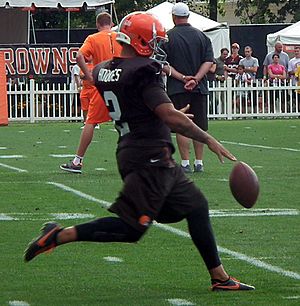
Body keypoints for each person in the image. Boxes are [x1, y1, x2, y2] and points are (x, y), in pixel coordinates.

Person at [24, 11, 255, 292]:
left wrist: (162, 114)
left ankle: (219, 277)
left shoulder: (103, 70)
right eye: (155, 41)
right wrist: (207, 139)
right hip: (149, 160)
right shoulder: (144, 71)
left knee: (196, 206)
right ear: (141, 41)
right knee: (132, 229)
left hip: (141, 151)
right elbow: (167, 116)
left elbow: (136, 106)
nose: (158, 47)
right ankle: (58, 235)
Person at [60, 12, 122, 174]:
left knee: (91, 122)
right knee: (126, 121)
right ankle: (139, 158)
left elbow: (79, 56)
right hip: (122, 84)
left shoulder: (93, 39)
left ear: (97, 24)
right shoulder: (121, 37)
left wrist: (89, 76)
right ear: (112, 23)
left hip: (102, 83)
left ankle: (77, 161)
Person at [161, 2, 214, 173]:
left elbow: (163, 64)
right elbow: (208, 61)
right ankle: (199, 162)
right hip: (199, 88)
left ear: (174, 17)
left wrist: (183, 78)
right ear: (188, 16)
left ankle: (185, 163)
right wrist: (196, 79)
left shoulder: (168, 37)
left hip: (177, 87)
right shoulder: (202, 37)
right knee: (199, 125)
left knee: (182, 125)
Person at [239, 46, 259, 111]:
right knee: (243, 99)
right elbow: (240, 70)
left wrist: (246, 69)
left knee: (254, 98)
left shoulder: (254, 60)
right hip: (244, 81)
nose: (247, 53)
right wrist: (250, 68)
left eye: (248, 51)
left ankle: (255, 113)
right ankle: (244, 113)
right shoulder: (242, 61)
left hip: (252, 81)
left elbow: (255, 69)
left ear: (251, 52)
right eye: (245, 52)